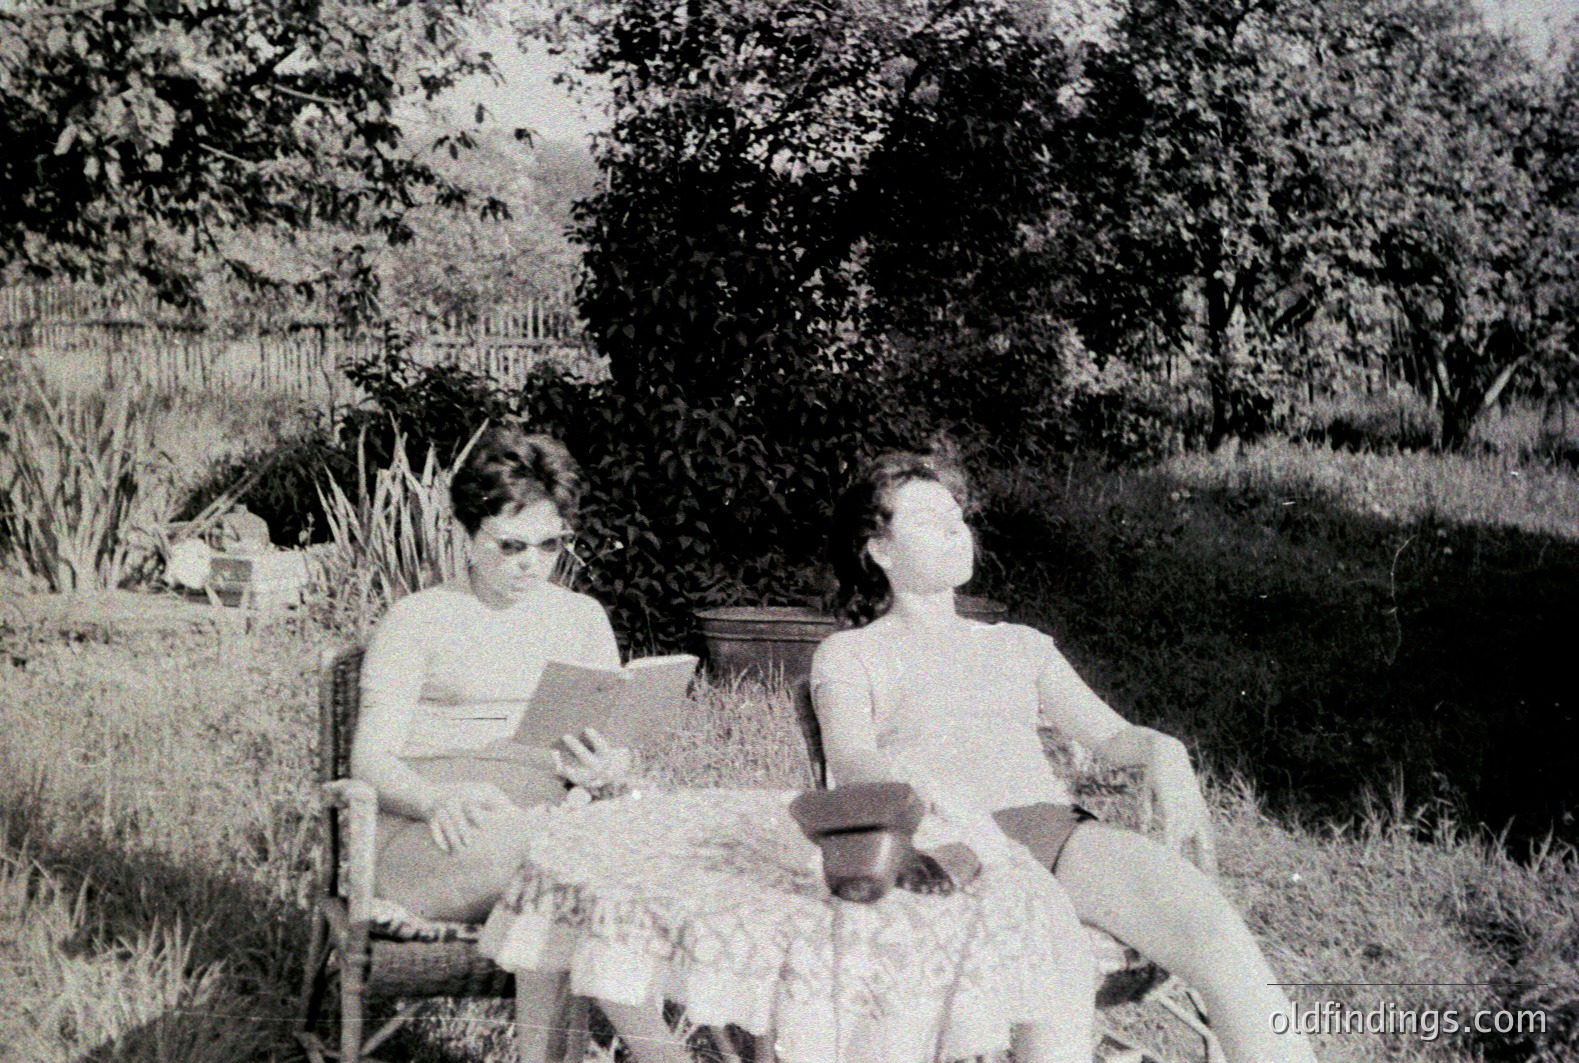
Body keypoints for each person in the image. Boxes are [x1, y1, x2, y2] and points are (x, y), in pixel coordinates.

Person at [810, 441, 1320, 1063]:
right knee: (1053, 998)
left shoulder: (1020, 646)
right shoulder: (851, 654)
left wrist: (1165, 751)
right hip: (938, 854)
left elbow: (1109, 736)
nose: (955, 530)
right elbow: (851, 763)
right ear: (879, 551)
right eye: (928, 520)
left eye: (957, 516)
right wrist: (922, 793)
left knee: (1214, 934)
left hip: (1051, 836)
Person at [350, 425, 687, 1063]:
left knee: (573, 857)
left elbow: (615, 744)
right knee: (569, 857)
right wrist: (433, 800)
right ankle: (660, 1054)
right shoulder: (417, 620)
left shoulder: (580, 617)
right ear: (464, 536)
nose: (531, 564)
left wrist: (609, 764)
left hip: (544, 826)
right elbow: (369, 757)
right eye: (509, 546)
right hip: (431, 836)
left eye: (549, 545)